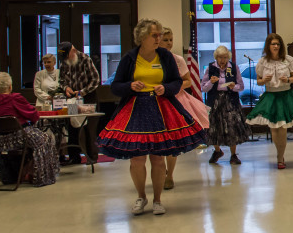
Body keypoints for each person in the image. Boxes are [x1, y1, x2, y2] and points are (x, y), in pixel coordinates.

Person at [97, 19, 207, 215]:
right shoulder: (130, 58)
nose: (159, 39)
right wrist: (130, 86)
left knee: (158, 157)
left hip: (161, 108)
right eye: (154, 35)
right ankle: (141, 196)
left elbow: (177, 82)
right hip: (135, 109)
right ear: (142, 37)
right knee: (137, 159)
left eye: (160, 35)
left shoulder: (165, 57)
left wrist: (166, 88)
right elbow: (116, 86)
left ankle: (157, 199)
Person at [246, 34, 293, 169]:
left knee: (282, 127)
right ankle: (279, 153)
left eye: (278, 44)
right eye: (273, 44)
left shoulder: (287, 60)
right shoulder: (263, 62)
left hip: (285, 95)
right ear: (268, 46)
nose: (276, 46)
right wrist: (264, 80)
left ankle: (280, 157)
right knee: (274, 128)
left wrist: (288, 80)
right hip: (270, 96)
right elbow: (258, 81)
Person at [0, 72, 59, 187]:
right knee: (46, 139)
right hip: (18, 137)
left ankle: (20, 172)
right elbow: (33, 114)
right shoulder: (14, 98)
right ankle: (40, 175)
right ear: (10, 86)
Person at [159, 27, 210, 189]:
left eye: (170, 40)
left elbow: (188, 81)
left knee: (171, 139)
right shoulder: (151, 60)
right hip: (156, 101)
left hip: (175, 100)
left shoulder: (178, 60)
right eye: (165, 40)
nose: (169, 43)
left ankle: (169, 175)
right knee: (158, 139)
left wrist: (173, 87)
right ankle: (160, 172)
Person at [202, 45, 252, 165]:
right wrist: (211, 82)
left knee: (232, 127)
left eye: (225, 57)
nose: (222, 60)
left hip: (230, 101)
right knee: (214, 127)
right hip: (215, 101)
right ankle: (217, 151)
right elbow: (204, 88)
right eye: (220, 57)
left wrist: (233, 87)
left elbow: (241, 86)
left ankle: (233, 155)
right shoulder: (210, 68)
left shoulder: (234, 67)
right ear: (216, 57)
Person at [57, 41, 101, 165]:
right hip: (73, 99)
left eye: (67, 55)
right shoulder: (64, 62)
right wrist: (66, 88)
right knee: (73, 126)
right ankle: (74, 157)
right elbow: (61, 80)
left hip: (88, 97)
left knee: (89, 127)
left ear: (73, 51)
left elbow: (95, 79)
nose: (66, 59)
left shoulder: (85, 59)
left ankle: (92, 156)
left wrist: (82, 92)